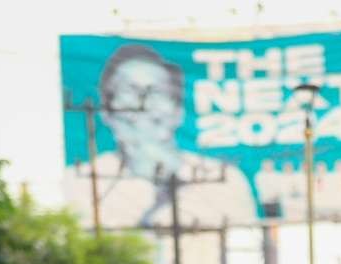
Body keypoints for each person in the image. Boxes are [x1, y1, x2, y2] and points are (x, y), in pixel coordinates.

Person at [63, 44, 258, 230]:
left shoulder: (226, 179)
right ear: (106, 113)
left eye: (157, 92)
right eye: (128, 91)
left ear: (178, 112)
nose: (144, 103)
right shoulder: (80, 183)